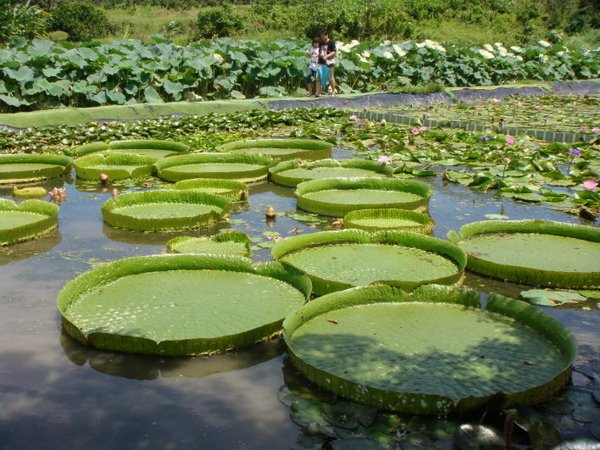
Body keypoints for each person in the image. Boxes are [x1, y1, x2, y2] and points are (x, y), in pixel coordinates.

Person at [318, 29, 337, 96]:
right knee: (319, 77)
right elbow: (319, 52)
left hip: (329, 61)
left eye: (323, 36)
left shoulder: (331, 42)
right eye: (321, 36)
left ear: (327, 35)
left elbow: (334, 52)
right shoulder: (320, 43)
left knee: (330, 77)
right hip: (321, 62)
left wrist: (327, 56)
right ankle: (319, 92)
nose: (322, 38)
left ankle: (333, 91)